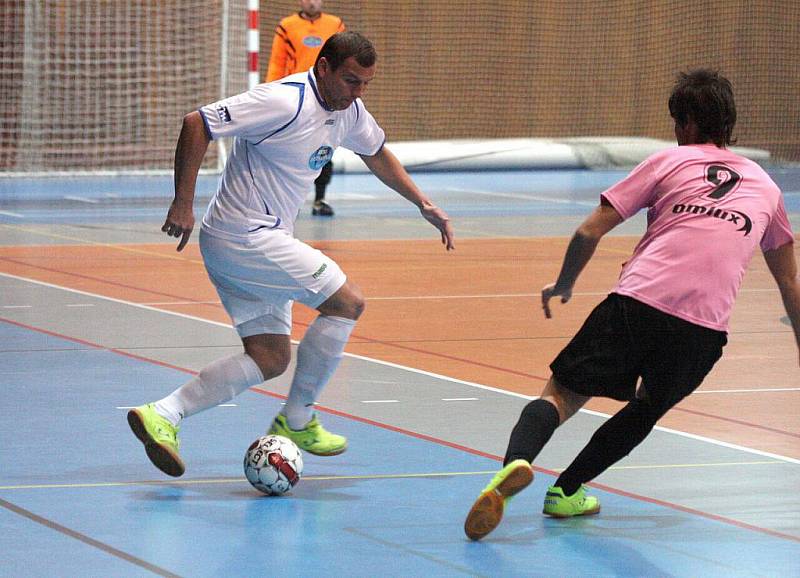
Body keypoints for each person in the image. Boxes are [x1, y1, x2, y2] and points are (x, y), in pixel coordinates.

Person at [464, 69, 799, 540]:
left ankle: (515, 463)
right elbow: (790, 284)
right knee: (646, 407)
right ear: (729, 123)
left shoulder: (668, 162)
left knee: (561, 394)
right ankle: (566, 492)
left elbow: (587, 231)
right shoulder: (766, 187)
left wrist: (563, 283)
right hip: (703, 329)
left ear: (684, 126)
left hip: (638, 301)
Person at [127, 31, 454, 478]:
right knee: (348, 302)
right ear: (323, 68)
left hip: (246, 242)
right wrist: (183, 201)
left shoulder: (348, 112)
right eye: (351, 81)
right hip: (245, 235)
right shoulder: (283, 101)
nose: (358, 93)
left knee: (270, 357)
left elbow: (377, 153)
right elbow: (196, 122)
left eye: (365, 84)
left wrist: (422, 203)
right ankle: (296, 419)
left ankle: (163, 414)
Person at [266, 0, 345, 217]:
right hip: (295, 98)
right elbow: (277, 62)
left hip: (327, 98)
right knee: (290, 148)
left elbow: (345, 60)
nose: (312, 2)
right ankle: (286, 200)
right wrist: (271, 93)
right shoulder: (287, 26)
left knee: (325, 148)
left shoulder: (335, 25)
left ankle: (320, 199)